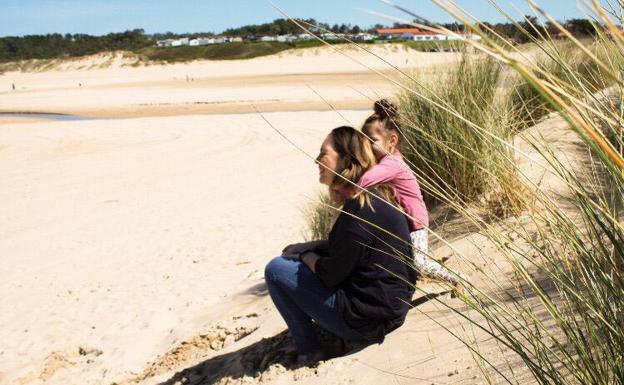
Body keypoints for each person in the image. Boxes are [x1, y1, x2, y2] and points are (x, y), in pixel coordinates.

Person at [265, 126, 416, 365]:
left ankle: (309, 350)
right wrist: (309, 246)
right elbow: (351, 248)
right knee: (296, 259)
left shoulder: (359, 210)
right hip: (390, 311)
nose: (317, 160)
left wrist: (306, 257)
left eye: (324, 154)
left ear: (346, 159)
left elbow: (329, 274)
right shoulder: (375, 197)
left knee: (276, 269)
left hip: (367, 322)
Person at [354, 99, 462, 289]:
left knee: (419, 266)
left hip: (415, 222)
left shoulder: (391, 164)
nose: (368, 147)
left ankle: (458, 278)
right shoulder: (393, 159)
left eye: (372, 141)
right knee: (408, 261)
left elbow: (365, 182)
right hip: (405, 222)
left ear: (392, 141)